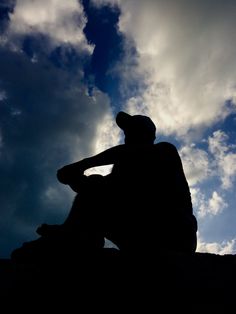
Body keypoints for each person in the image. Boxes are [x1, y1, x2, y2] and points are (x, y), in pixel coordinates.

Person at [38, 111, 198, 254]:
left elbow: (128, 154)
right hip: (140, 232)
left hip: (174, 234)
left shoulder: (164, 151)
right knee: (94, 186)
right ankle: (77, 236)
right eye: (127, 132)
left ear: (148, 135)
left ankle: (73, 234)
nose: (127, 136)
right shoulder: (124, 171)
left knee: (96, 183)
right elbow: (95, 192)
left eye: (133, 131)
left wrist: (84, 164)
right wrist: (76, 179)